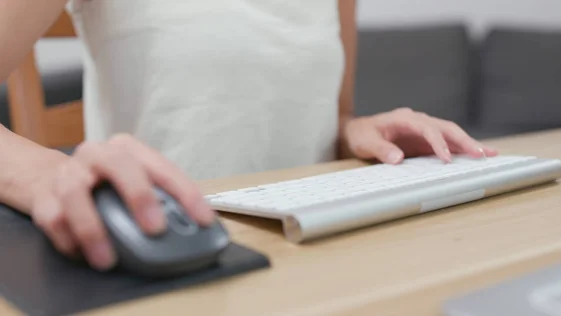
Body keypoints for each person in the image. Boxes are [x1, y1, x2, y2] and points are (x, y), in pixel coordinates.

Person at [0, 0, 497, 271]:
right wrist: (51, 174)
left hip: (318, 256)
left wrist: (356, 130)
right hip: (183, 261)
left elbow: (329, 118)